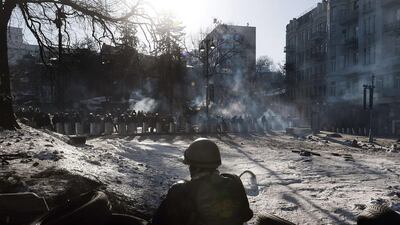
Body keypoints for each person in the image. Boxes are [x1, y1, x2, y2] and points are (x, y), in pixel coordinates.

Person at [151, 138, 253, 225]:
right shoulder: (234, 181)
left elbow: (158, 222)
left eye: (190, 165)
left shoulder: (181, 190)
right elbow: (246, 215)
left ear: (195, 167)